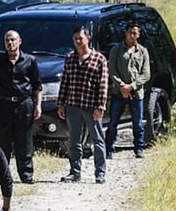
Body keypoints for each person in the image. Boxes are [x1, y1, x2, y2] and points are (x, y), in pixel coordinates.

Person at [0, 29, 42, 184]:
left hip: (24, 105)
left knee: (24, 141)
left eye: (13, 40)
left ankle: (26, 175)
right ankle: (0, 176)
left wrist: (38, 106)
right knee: (1, 141)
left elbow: (37, 86)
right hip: (2, 104)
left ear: (19, 41)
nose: (10, 43)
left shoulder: (30, 60)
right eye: (7, 40)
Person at [56, 26, 109, 183]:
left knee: (97, 139)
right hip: (73, 105)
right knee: (74, 140)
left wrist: (101, 106)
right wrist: (61, 103)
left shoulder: (99, 59)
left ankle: (100, 173)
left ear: (88, 38)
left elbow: (103, 84)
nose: (78, 41)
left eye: (80, 38)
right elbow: (65, 81)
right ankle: (75, 172)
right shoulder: (70, 58)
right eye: (75, 39)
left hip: (91, 105)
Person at [106, 21, 151, 159]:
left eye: (135, 33)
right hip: (118, 92)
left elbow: (146, 74)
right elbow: (112, 70)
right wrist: (121, 85)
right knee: (113, 121)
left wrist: (132, 86)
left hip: (136, 93)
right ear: (125, 33)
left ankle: (139, 148)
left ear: (138, 35)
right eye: (130, 32)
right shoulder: (117, 50)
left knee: (137, 123)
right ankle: (109, 148)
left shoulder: (143, 51)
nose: (132, 35)